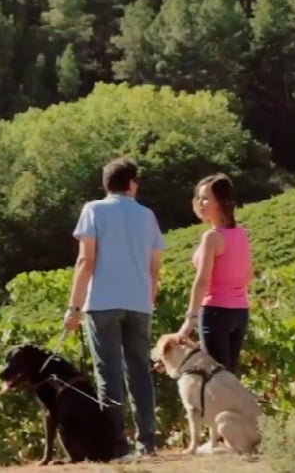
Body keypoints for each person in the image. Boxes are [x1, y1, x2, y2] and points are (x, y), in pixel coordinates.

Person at [63, 156, 164, 459]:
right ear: (132, 184)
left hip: (103, 303)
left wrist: (74, 307)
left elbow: (86, 260)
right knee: (140, 373)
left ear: (106, 184)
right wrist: (148, 299)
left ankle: (118, 446)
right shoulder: (148, 216)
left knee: (109, 375)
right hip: (139, 302)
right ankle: (148, 444)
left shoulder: (93, 210)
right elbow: (155, 267)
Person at [176, 172, 254, 453]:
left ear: (220, 202)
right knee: (229, 375)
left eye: (205, 197)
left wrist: (189, 319)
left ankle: (215, 441)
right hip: (239, 310)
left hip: (216, 312)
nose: (199, 202)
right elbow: (249, 274)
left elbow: (202, 281)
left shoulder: (212, 237)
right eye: (198, 197)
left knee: (213, 379)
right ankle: (232, 435)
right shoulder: (241, 233)